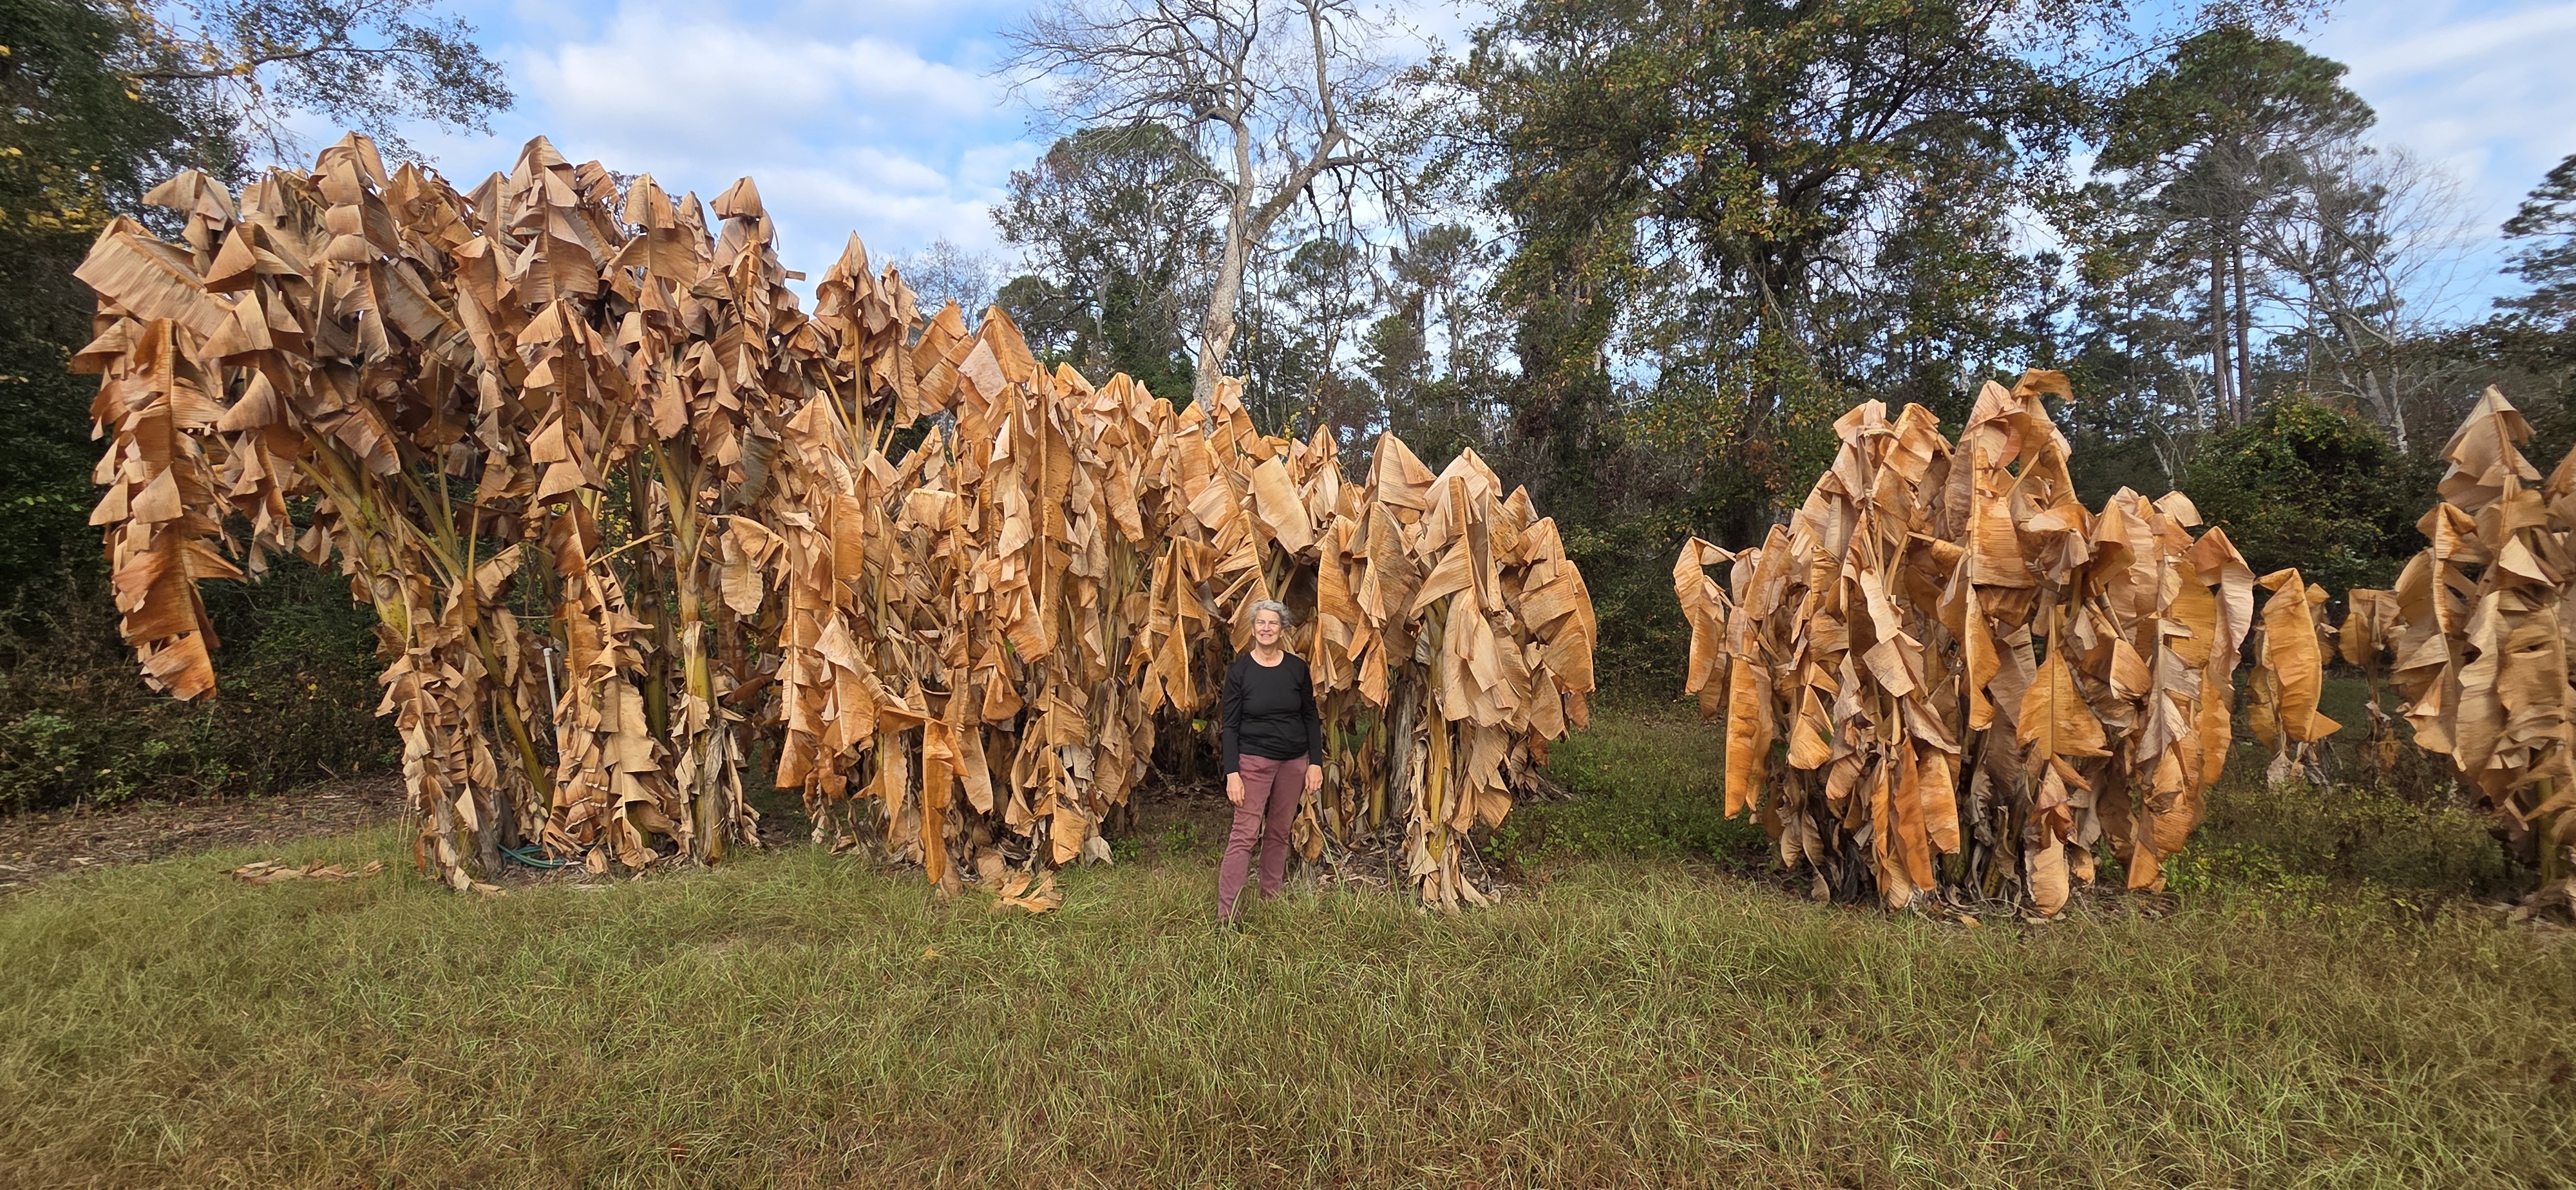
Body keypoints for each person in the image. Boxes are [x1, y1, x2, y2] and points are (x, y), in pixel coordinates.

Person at [1215, 599, 1323, 924]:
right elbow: (1230, 725)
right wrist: (1232, 772)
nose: (1266, 628)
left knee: (1278, 832)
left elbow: (1310, 716)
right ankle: (1227, 914)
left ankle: (1270, 899)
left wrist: (1315, 763)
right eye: (1261, 623)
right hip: (1253, 762)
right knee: (1244, 834)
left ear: (1282, 629)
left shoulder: (1296, 668)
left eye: (1273, 623)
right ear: (1253, 628)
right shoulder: (1241, 672)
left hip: (1294, 762)